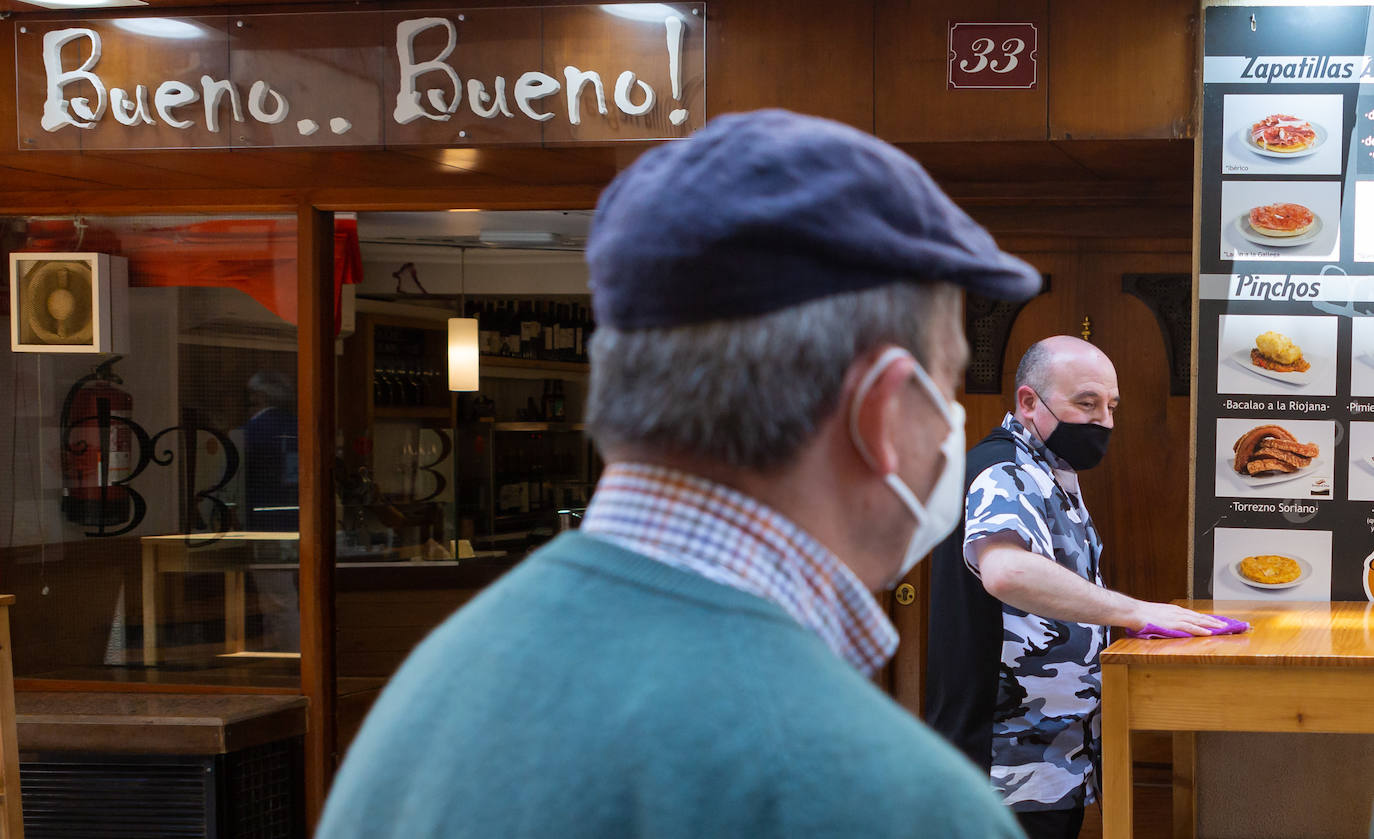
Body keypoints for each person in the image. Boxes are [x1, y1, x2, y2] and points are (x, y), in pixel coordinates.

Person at [317, 108, 1043, 839]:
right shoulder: (895, 800)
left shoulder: (431, 688)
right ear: (881, 411)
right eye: (946, 386)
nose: (951, 423)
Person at [924, 336, 1224, 839]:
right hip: (1003, 758)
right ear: (1028, 402)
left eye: (1111, 406)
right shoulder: (1005, 470)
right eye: (1086, 404)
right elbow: (1007, 572)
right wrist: (1136, 612)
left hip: (1052, 756)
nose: (1104, 421)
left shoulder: (1048, 472)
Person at [241, 370, 300, 651]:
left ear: (260, 396)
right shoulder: (301, 426)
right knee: (288, 600)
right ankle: (281, 657)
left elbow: (235, 481)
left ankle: (289, 662)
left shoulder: (253, 431)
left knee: (277, 602)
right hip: (298, 521)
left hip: (264, 525)